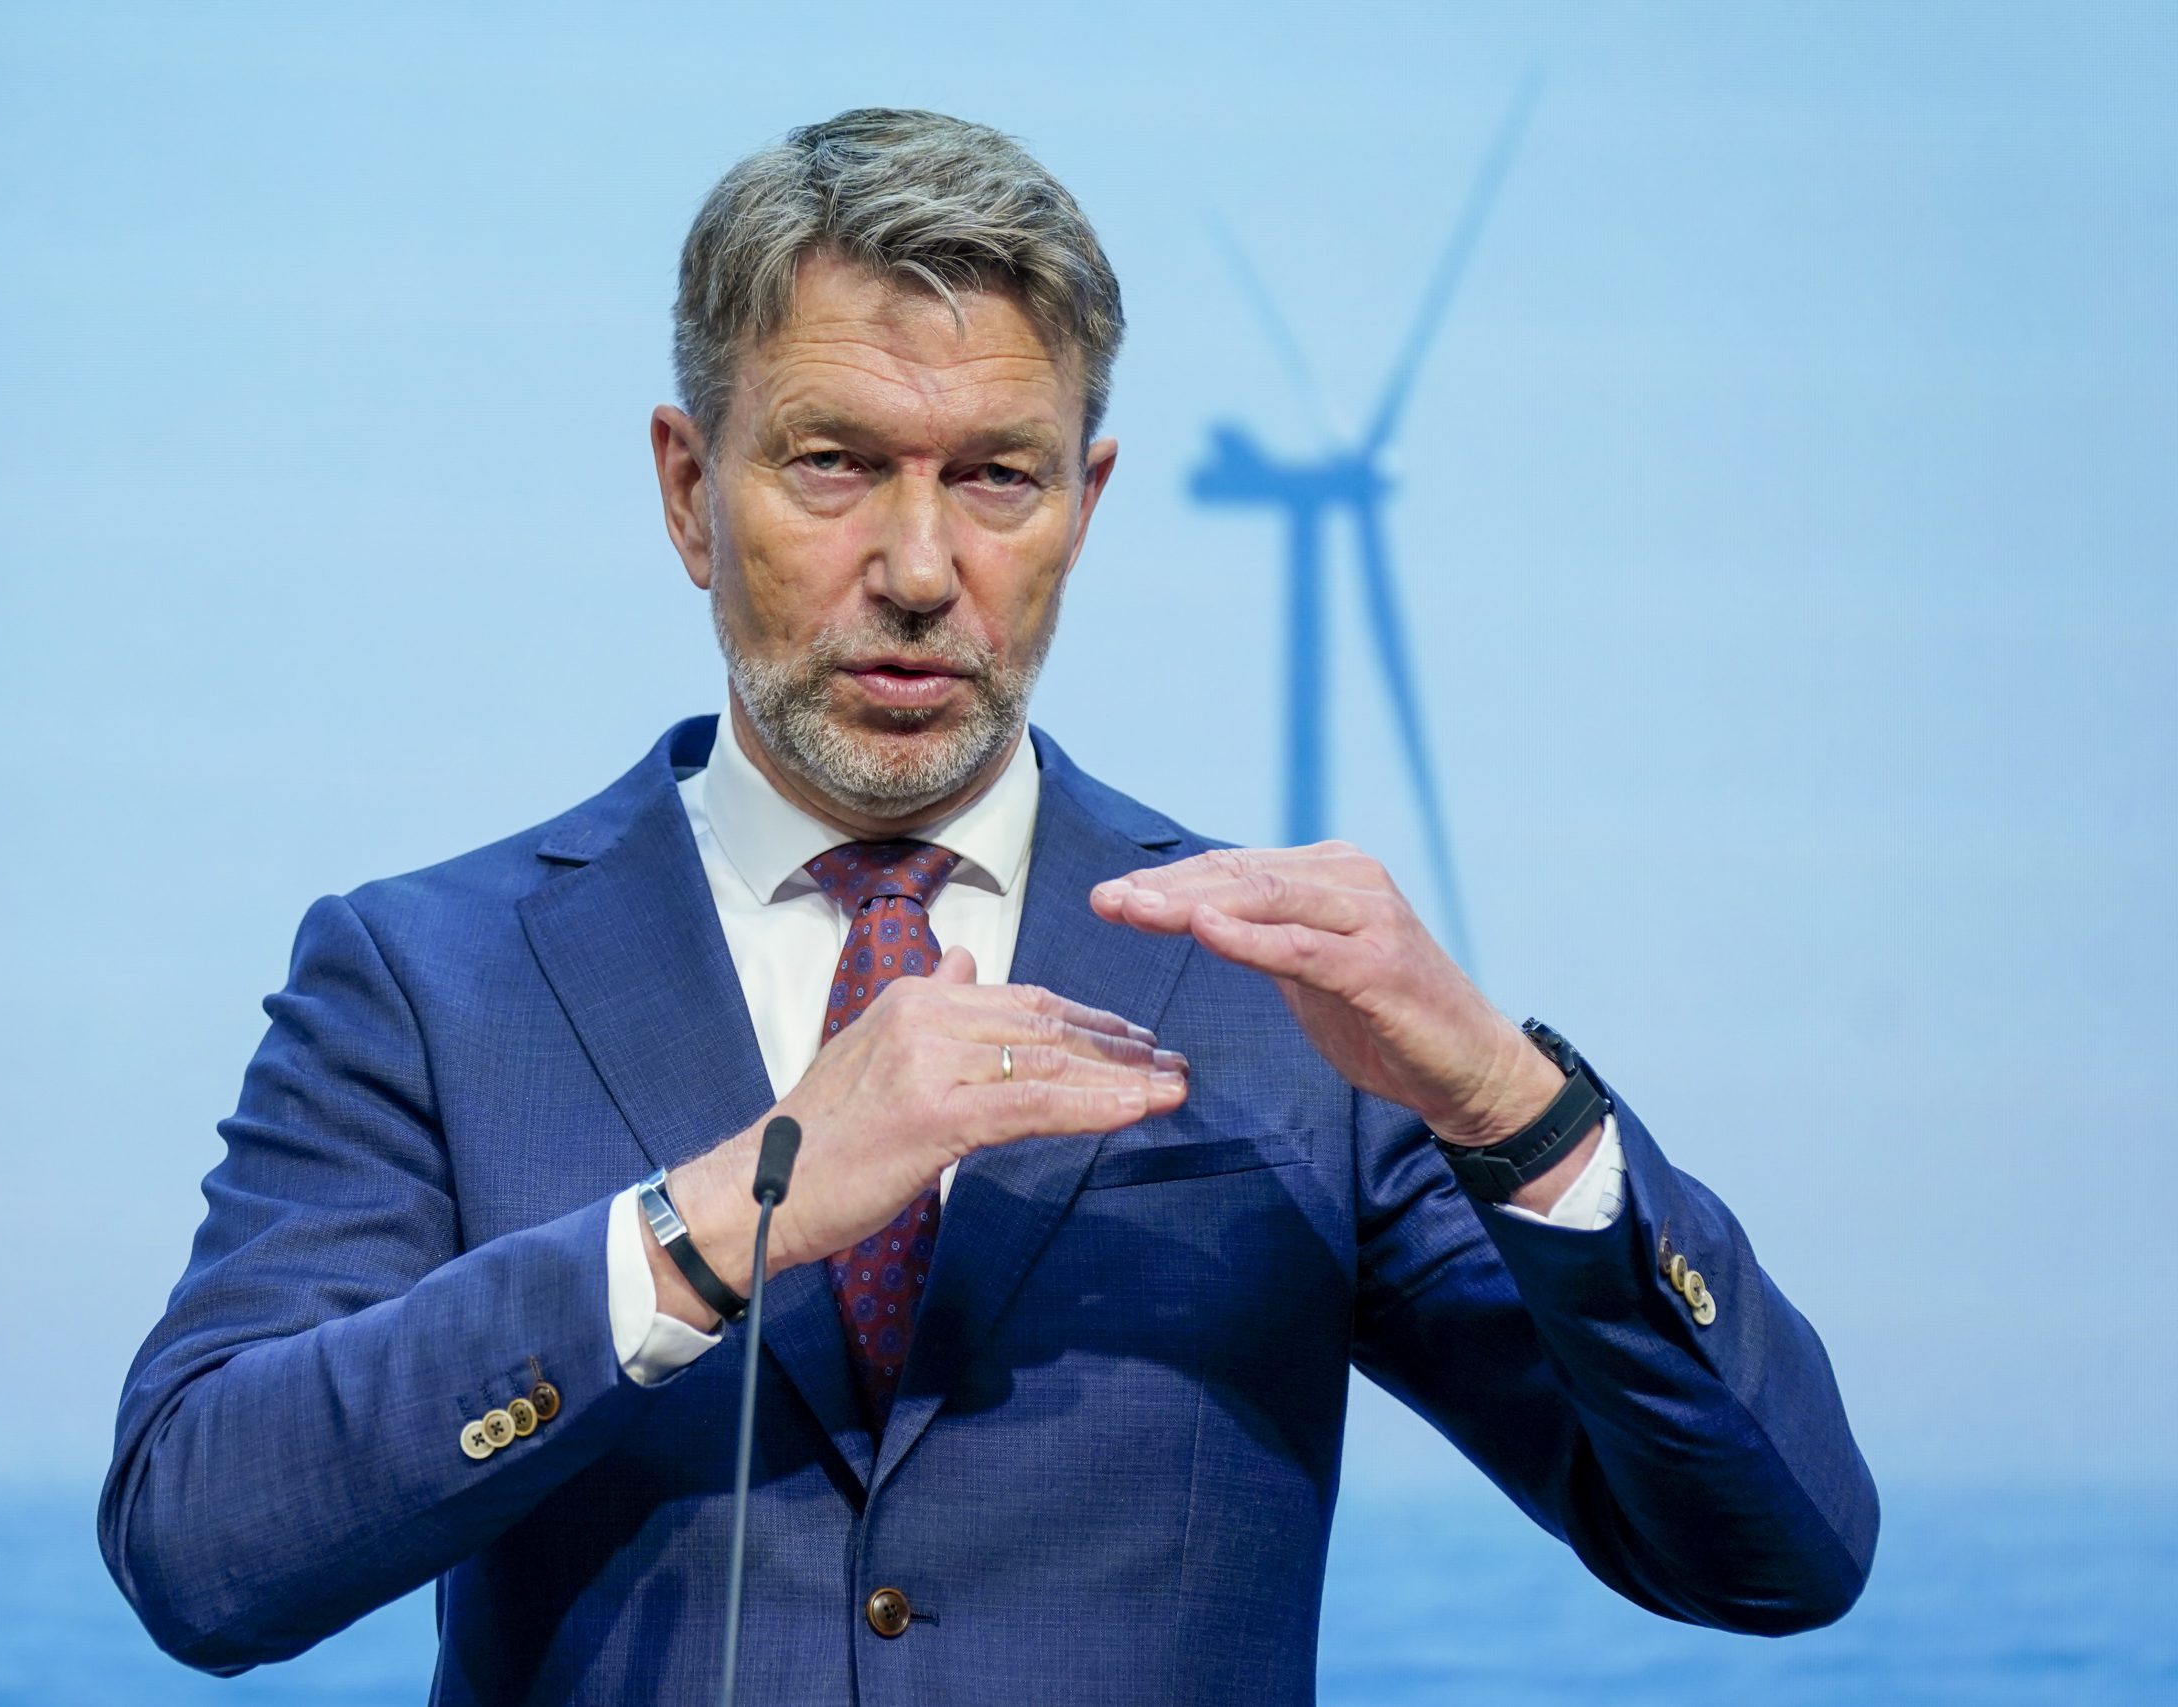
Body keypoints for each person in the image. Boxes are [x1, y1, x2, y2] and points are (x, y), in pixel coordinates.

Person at [101, 108, 1876, 1704]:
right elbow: (198, 1551)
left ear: (1084, 506)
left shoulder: (1284, 1005)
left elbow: (1776, 1556)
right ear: (689, 491)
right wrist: (710, 1229)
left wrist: (1509, 1102)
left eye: (994, 478)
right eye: (833, 462)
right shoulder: (428, 977)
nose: (918, 568)